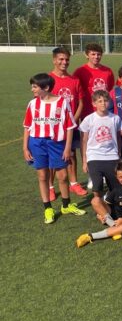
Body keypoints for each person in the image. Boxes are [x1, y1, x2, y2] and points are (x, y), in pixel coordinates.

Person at [23, 73, 85, 224]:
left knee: (62, 176)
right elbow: (27, 126)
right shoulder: (33, 104)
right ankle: (48, 208)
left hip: (57, 143)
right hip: (37, 143)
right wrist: (25, 148)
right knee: (42, 176)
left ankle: (66, 206)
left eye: (35, 87)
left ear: (46, 87)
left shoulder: (62, 102)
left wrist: (68, 147)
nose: (32, 89)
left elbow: (69, 127)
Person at [75, 160, 122, 247]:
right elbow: (105, 204)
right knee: (95, 200)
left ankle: (90, 236)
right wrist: (100, 215)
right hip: (112, 218)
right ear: (117, 177)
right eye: (120, 177)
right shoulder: (116, 189)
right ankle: (114, 226)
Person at [48, 46, 86, 197]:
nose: (64, 62)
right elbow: (43, 103)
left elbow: (81, 103)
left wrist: (72, 122)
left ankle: (74, 184)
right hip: (53, 127)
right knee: (53, 156)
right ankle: (50, 187)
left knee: (71, 153)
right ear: (54, 60)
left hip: (72, 125)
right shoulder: (48, 79)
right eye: (61, 59)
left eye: (67, 59)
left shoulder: (74, 80)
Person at [79, 90, 122, 212]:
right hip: (94, 157)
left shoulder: (115, 118)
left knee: (114, 185)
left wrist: (118, 154)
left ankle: (113, 207)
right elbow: (84, 141)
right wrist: (84, 161)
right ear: (94, 103)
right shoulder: (89, 119)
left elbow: (118, 138)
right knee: (97, 186)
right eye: (100, 101)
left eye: (105, 101)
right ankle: (100, 209)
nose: (103, 103)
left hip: (112, 156)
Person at [73, 43, 115, 117]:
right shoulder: (80, 71)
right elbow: (76, 92)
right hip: (87, 112)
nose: (96, 57)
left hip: (104, 111)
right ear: (87, 55)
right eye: (93, 54)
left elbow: (109, 89)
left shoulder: (108, 71)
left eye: (98, 54)